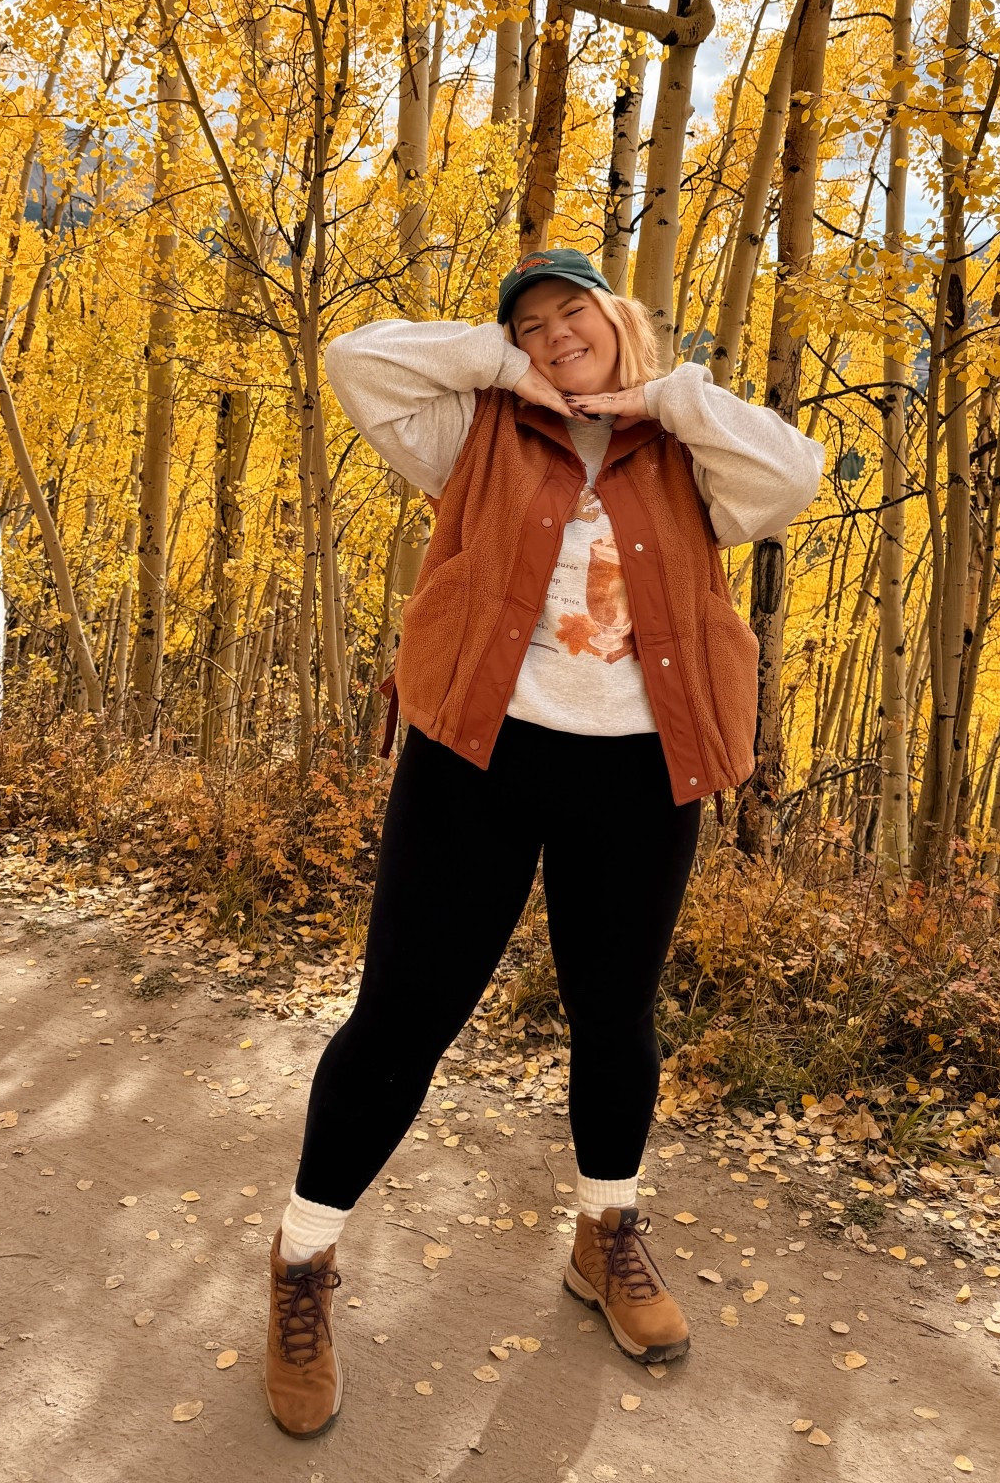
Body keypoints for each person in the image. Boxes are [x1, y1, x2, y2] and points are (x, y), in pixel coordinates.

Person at [262, 247, 825, 1437]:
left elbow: (795, 470)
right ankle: (304, 1259)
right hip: (478, 753)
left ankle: (605, 1231)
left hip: (642, 766)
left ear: (621, 322)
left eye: (576, 311)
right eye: (533, 320)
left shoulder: (690, 454)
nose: (555, 330)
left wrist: (663, 394)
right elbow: (353, 359)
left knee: (615, 1013)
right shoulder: (470, 430)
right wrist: (501, 363)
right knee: (404, 1012)